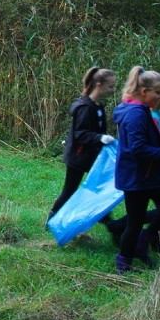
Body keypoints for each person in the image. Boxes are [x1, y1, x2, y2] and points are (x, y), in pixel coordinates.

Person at [107, 74, 160, 246]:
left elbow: (156, 138)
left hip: (150, 169)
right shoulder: (146, 113)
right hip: (146, 171)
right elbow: (141, 144)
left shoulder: (152, 111)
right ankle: (138, 236)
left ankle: (150, 239)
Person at [47, 67, 117, 227]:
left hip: (92, 156)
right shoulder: (85, 107)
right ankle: (51, 219)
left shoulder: (98, 106)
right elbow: (80, 133)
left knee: (97, 188)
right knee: (70, 190)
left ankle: (108, 222)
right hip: (78, 156)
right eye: (110, 86)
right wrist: (100, 137)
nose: (112, 90)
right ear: (99, 84)